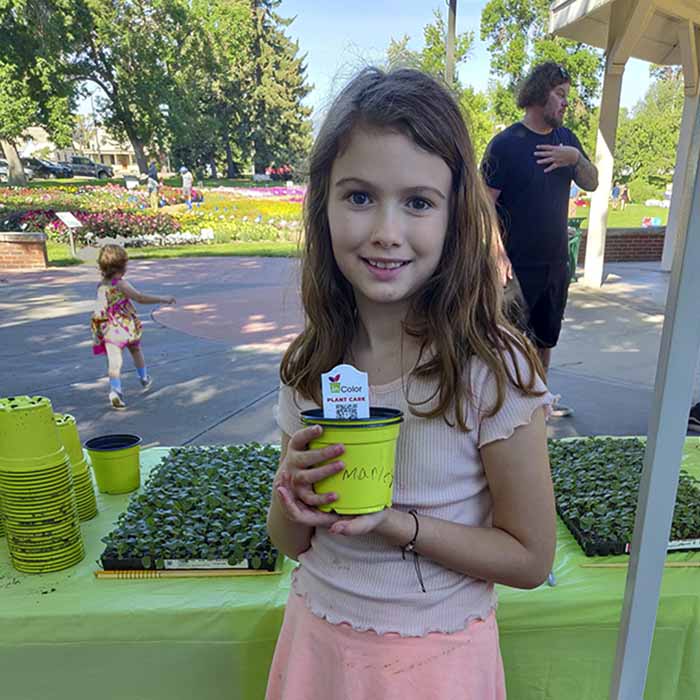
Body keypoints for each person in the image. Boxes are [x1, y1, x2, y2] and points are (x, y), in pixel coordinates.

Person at [265, 67, 556, 700]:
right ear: (324, 206)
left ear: (456, 218)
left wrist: (396, 524)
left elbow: (532, 559)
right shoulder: (310, 365)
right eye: (359, 196)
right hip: (320, 644)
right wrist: (291, 492)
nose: (386, 231)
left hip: (438, 662)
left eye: (418, 202)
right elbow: (291, 544)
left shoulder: (492, 368)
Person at [482, 62, 599, 417]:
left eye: (567, 95)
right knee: (509, 344)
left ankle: (537, 406)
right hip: (514, 267)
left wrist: (575, 159)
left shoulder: (567, 142)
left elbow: (592, 181)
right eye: (560, 94)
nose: (566, 103)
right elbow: (482, 203)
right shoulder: (506, 144)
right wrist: (496, 252)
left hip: (554, 264)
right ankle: (503, 410)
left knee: (545, 339)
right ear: (537, 94)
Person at [91, 244, 175, 409]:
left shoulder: (102, 286)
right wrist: (162, 298)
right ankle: (143, 377)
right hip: (126, 326)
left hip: (109, 328)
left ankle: (116, 390)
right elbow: (140, 298)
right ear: (122, 266)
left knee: (114, 361)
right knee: (136, 350)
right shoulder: (121, 284)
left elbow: (99, 309)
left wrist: (97, 330)